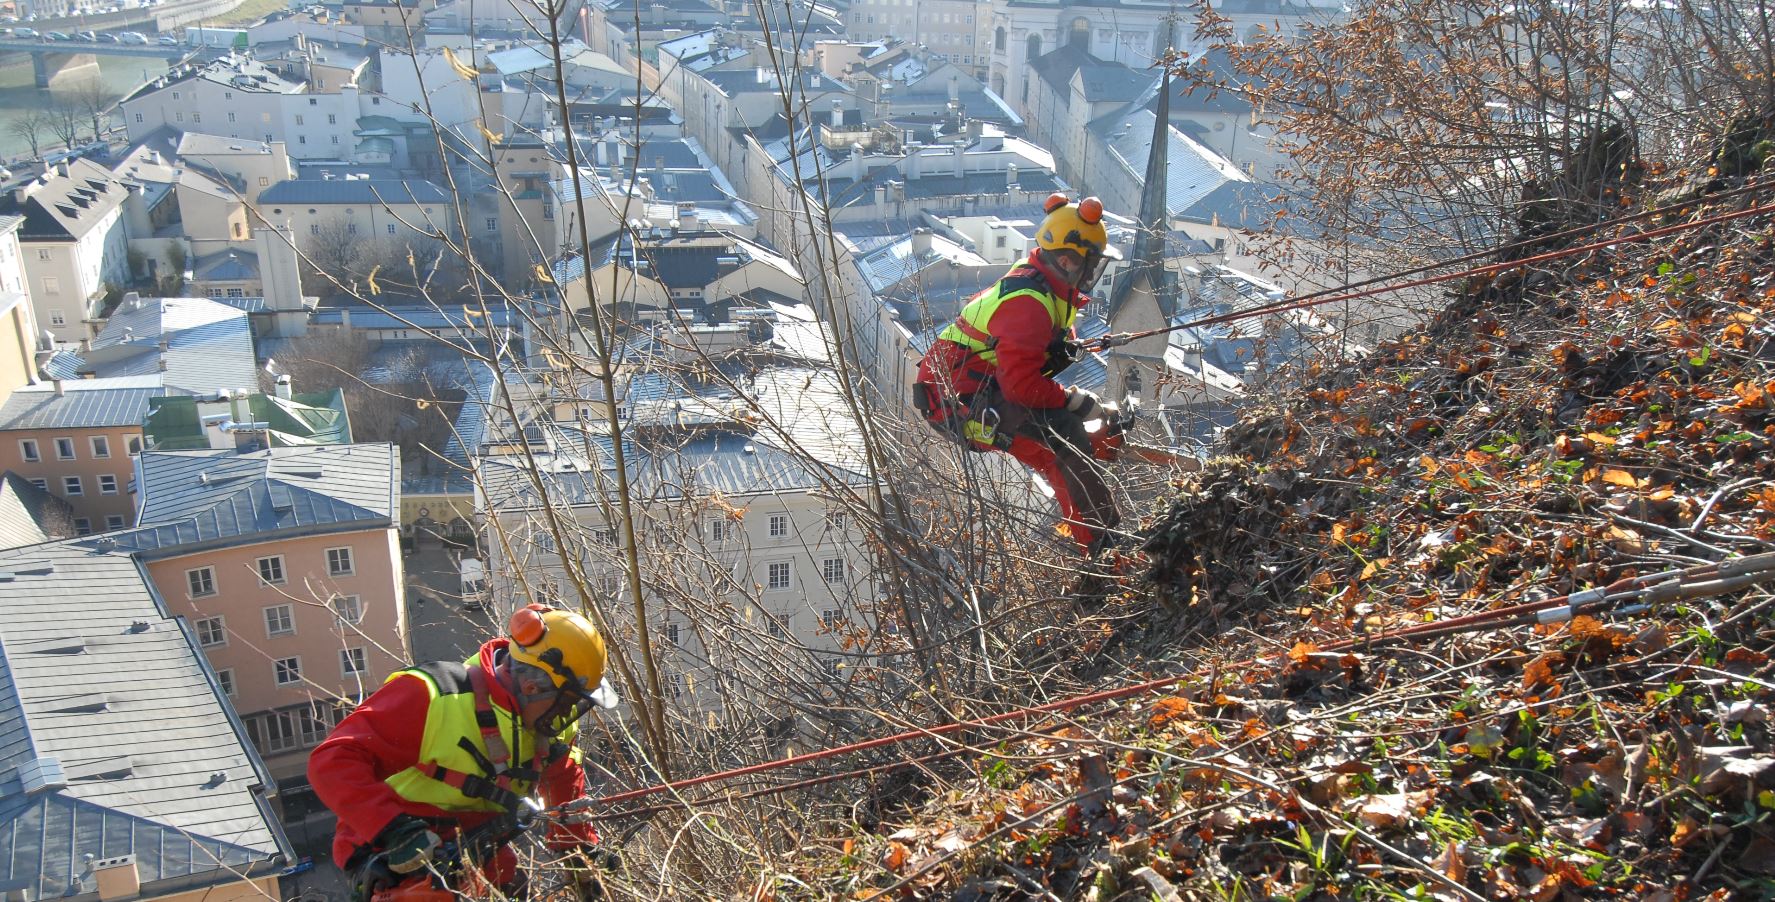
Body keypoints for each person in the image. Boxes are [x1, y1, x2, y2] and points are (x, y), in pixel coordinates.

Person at [310, 603, 620, 898]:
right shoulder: (435, 695)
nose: (568, 713)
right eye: (567, 702)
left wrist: (578, 852)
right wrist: (393, 829)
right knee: (430, 895)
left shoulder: (552, 719)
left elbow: (563, 779)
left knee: (512, 882)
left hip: (477, 842)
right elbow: (332, 760)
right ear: (532, 687)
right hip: (391, 845)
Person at [914, 193, 1125, 554]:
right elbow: (1021, 385)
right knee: (1063, 434)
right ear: (1067, 260)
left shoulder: (1042, 282)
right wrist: (1074, 401)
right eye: (1090, 265)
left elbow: (1024, 350)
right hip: (957, 400)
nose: (1093, 273)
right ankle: (1101, 544)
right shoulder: (1029, 304)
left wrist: (1060, 349)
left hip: (972, 385)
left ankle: (1094, 537)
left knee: (1057, 445)